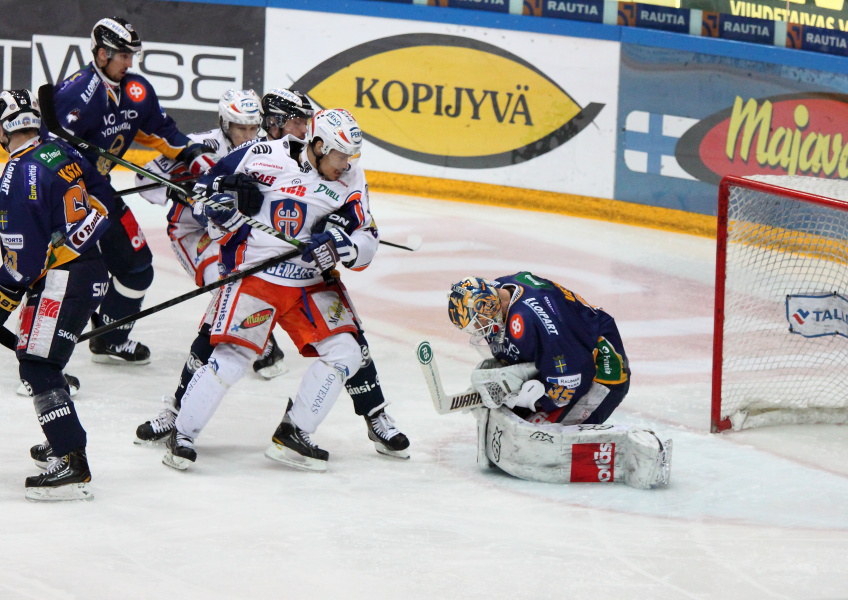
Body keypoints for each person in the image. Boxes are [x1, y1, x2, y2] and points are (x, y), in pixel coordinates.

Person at [162, 108, 408, 472]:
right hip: (257, 275)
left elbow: (366, 234)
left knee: (346, 351)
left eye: (351, 157)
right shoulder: (262, 155)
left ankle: (294, 432)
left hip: (310, 282)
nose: (346, 164)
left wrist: (343, 247)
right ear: (320, 145)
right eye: (340, 155)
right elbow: (202, 195)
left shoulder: (352, 177)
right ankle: (181, 434)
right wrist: (224, 205)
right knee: (232, 357)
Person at [132, 88, 313, 443]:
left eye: (252, 126)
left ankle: (245, 338)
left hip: (235, 235)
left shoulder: (266, 150)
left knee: (237, 291)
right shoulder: (201, 147)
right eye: (239, 128)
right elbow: (142, 181)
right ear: (223, 123)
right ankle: (180, 407)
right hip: (192, 231)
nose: (247, 134)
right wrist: (179, 190)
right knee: (221, 281)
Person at [47, 16, 216, 365]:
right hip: (65, 199)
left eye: (131, 55)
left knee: (138, 268)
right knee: (62, 278)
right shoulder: (75, 94)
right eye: (123, 55)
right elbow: (45, 156)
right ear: (102, 53)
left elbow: (164, 134)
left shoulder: (136, 91)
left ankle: (110, 337)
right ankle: (40, 359)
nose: (129, 62)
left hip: (100, 193)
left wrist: (199, 164)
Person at [447, 273, 671, 488]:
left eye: (478, 323)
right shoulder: (500, 291)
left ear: (489, 305)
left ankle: (639, 454)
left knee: (540, 442)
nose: (479, 331)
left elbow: (573, 378)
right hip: (564, 358)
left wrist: (536, 401)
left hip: (601, 369)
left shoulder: (535, 320)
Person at [0, 89, 111, 501]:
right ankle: (63, 435)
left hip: (64, 277)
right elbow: (101, 194)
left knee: (37, 364)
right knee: (40, 356)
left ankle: (70, 458)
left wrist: (3, 295)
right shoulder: (57, 147)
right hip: (88, 266)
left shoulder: (15, 173)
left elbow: (22, 264)